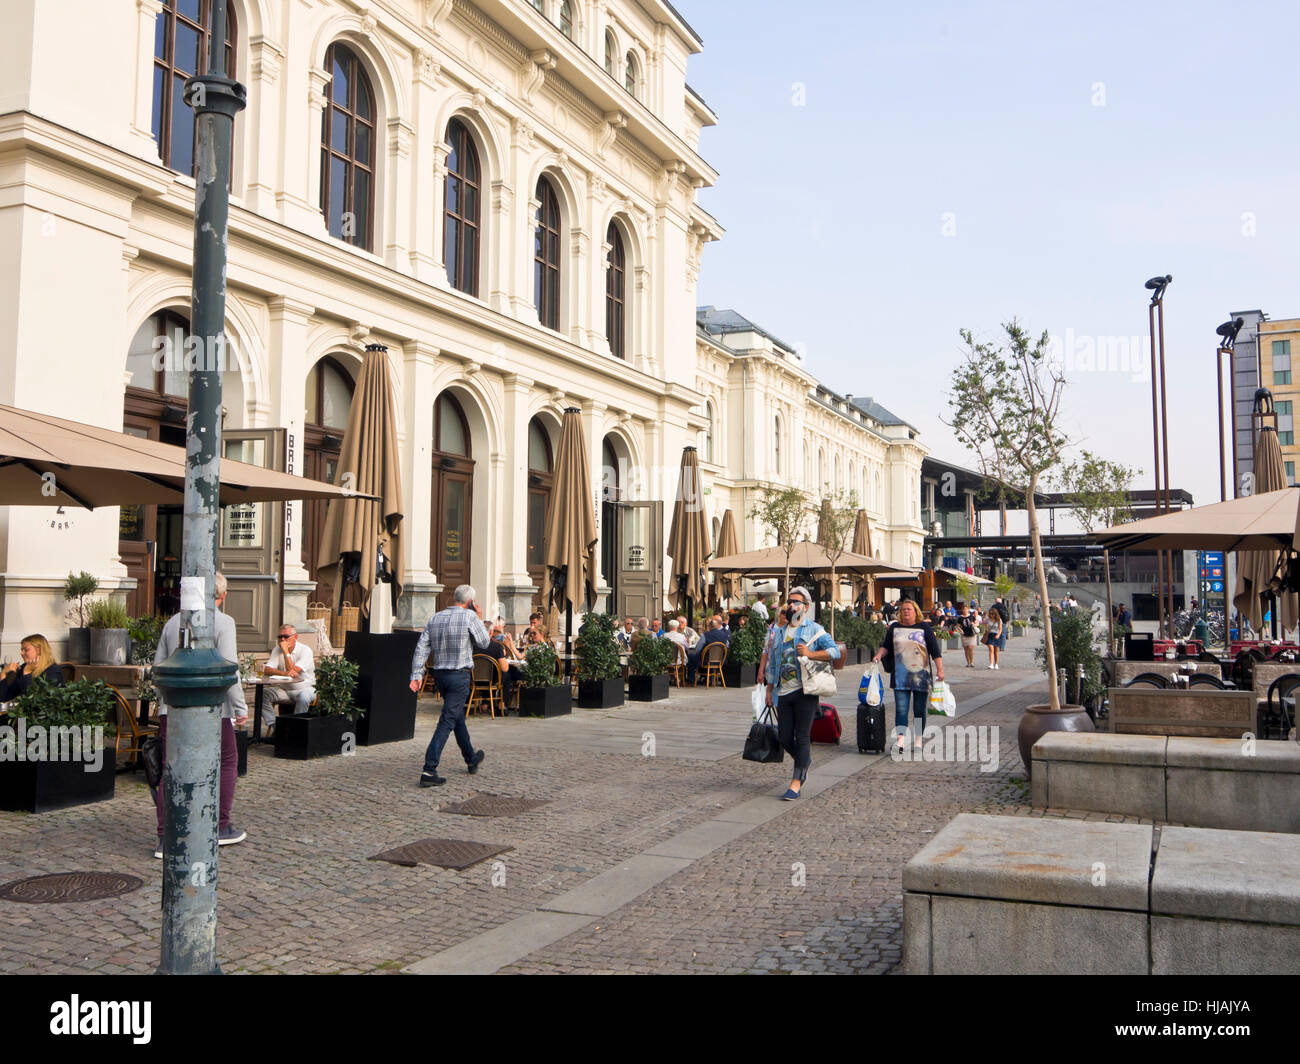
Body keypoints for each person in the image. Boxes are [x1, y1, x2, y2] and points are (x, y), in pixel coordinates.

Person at [153, 573, 248, 856]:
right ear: (222, 596)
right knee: (228, 761)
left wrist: (163, 704)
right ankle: (219, 825)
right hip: (213, 708)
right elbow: (229, 670)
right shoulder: (224, 622)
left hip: (172, 707)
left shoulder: (173, 623)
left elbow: (159, 667)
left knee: (171, 769)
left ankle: (164, 837)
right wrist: (241, 708)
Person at [408, 584, 490, 787]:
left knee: (456, 718)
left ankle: (471, 758)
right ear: (470, 603)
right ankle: (429, 769)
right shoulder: (470, 617)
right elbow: (484, 642)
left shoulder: (435, 617)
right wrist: (478, 617)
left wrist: (417, 674)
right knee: (447, 720)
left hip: (440, 676)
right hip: (459, 676)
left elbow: (421, 647)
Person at [764, 587, 840, 799]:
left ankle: (796, 782)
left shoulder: (814, 629)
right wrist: (769, 690)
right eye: (789, 601)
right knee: (785, 737)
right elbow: (772, 662)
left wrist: (811, 653)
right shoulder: (779, 631)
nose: (791, 605)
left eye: (796, 602)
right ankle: (804, 761)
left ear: (805, 607)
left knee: (803, 735)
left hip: (806, 690)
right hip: (783, 693)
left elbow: (834, 651)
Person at [872, 598, 944, 750]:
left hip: (921, 676)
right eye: (903, 609)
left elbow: (935, 651)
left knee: (919, 710)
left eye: (908, 609)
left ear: (915, 612)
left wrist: (940, 670)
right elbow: (886, 646)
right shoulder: (894, 628)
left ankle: (918, 740)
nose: (905, 611)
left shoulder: (924, 627)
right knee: (901, 709)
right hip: (900, 676)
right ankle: (900, 739)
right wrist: (879, 655)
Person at [261, 623, 316, 730]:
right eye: (280, 637)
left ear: (295, 637)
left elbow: (293, 672)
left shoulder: (305, 650)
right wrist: (284, 673)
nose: (282, 640)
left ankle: (294, 729)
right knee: (263, 695)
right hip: (285, 690)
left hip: (305, 688)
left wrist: (286, 651)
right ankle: (277, 728)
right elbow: (267, 670)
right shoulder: (277, 649)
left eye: (286, 637)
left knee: (304, 697)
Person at [0, 634, 64, 701]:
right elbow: (4, 697)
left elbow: (33, 702)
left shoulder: (53, 671)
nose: (21, 653)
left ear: (39, 650)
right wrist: (3, 674)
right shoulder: (24, 667)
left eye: (26, 650)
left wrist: (27, 673)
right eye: (21, 650)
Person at [482, 620, 523, 705]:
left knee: (488, 673)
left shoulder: (473, 645)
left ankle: (485, 703)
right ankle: (502, 704)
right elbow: (505, 668)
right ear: (491, 632)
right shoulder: (496, 646)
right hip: (493, 679)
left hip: (474, 680)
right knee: (506, 674)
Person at [686, 616, 730, 683]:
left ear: (710, 627)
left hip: (706, 660)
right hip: (720, 661)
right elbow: (727, 646)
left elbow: (698, 648)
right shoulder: (724, 635)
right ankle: (709, 679)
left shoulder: (705, 635)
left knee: (691, 656)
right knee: (704, 657)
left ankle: (691, 680)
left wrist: (692, 652)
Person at [957, 602, 978, 668]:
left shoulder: (971, 616)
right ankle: (968, 662)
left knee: (970, 647)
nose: (965, 610)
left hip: (971, 633)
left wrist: (974, 625)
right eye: (964, 609)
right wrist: (961, 630)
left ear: (968, 609)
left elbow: (977, 623)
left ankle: (971, 662)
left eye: (966, 609)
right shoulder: (960, 618)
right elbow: (957, 626)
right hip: (964, 634)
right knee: (966, 648)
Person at [985, 602, 1004, 669]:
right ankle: (991, 664)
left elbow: (1000, 629)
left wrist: (998, 635)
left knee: (996, 651)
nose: (991, 615)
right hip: (990, 635)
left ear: (995, 614)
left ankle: (996, 663)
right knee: (991, 649)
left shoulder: (999, 620)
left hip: (996, 635)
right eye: (990, 614)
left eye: (992, 614)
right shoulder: (988, 619)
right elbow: (986, 626)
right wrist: (987, 629)